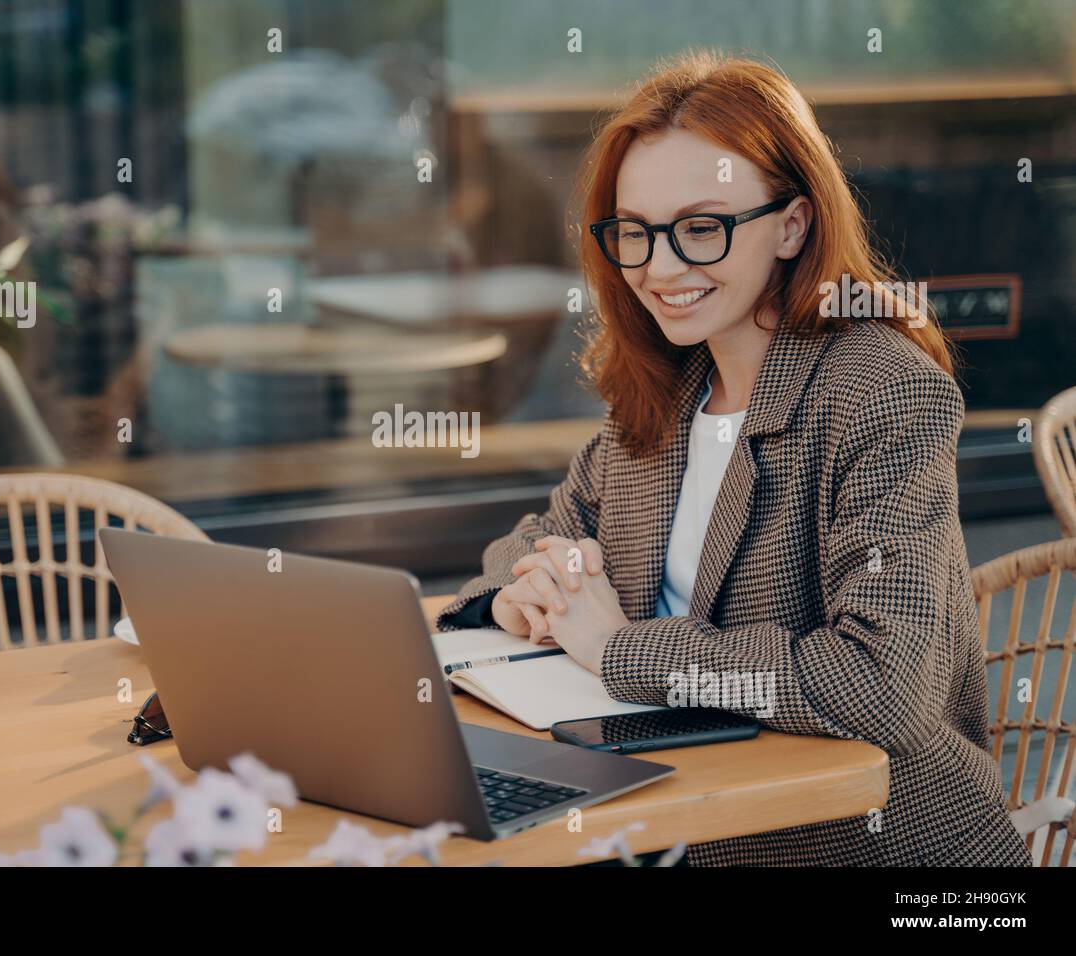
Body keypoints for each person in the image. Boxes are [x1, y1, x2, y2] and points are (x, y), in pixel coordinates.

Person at [437, 51, 1031, 867]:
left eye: (701, 227)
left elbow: (882, 684)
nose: (659, 267)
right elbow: (532, 543)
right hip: (685, 824)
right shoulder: (669, 388)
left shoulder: (883, 391)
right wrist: (520, 598)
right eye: (636, 232)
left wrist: (620, 649)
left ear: (792, 224)